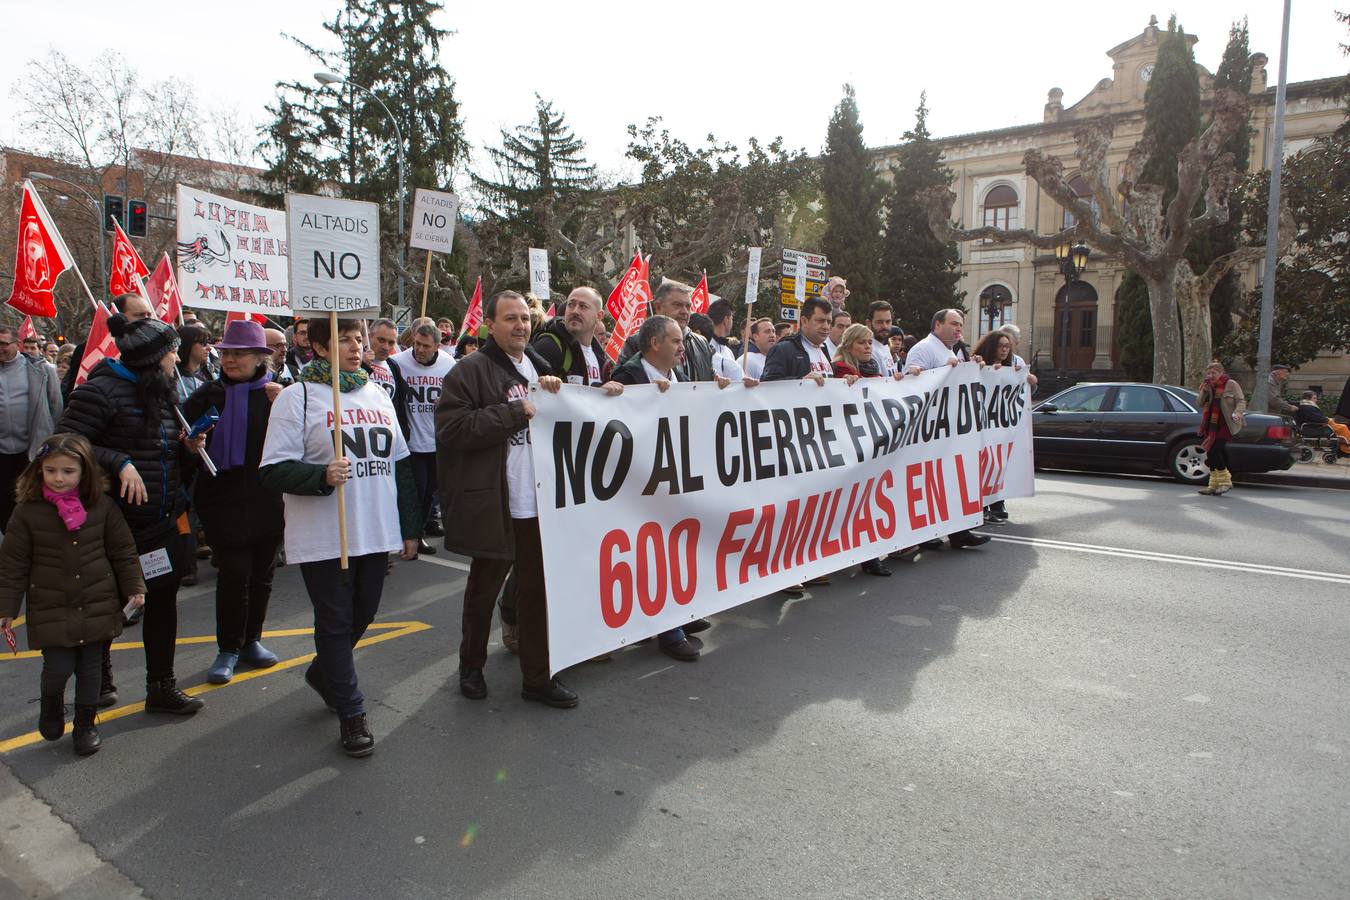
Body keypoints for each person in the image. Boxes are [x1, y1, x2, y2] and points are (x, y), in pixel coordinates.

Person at [259, 316, 421, 757]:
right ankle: (352, 713)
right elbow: (273, 470)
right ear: (319, 347)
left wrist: (410, 528)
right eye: (343, 339)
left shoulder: (379, 394)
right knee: (333, 621)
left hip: (374, 530)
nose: (355, 347)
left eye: (358, 339)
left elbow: (401, 465)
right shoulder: (298, 397)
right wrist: (320, 475)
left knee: (362, 614)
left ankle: (322, 672)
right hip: (325, 535)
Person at [437, 291, 580, 706]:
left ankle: (537, 678)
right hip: (496, 503)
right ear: (491, 325)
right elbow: (452, 428)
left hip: (538, 506)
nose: (521, 325)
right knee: (483, 593)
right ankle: (471, 665)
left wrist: (558, 390)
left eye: (524, 318)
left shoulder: (539, 367)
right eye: (511, 319)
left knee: (536, 596)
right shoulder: (469, 370)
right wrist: (515, 413)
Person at [59, 313, 207, 715]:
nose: (176, 360)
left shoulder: (163, 392)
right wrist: (116, 460)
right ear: (153, 357)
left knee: (162, 604)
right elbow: (61, 448)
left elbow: (164, 458)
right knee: (108, 606)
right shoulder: (100, 392)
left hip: (163, 521)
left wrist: (188, 451)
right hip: (115, 527)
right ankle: (100, 678)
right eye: (172, 353)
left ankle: (161, 686)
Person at [0, 433, 146, 756]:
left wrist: (135, 586)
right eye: (51, 470)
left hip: (97, 601)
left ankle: (85, 725)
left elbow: (123, 550)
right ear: (39, 470)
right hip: (52, 605)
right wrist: (6, 607)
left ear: (85, 472)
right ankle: (51, 703)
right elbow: (12, 564)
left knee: (91, 670)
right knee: (58, 668)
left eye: (68, 471)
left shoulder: (102, 506)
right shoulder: (27, 512)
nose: (58, 478)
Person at [609, 314, 725, 659]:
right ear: (655, 343)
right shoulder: (627, 376)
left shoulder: (681, 376)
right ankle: (668, 631)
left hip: (675, 477)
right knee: (653, 552)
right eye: (675, 340)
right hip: (643, 483)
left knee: (675, 550)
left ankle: (676, 615)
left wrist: (726, 392)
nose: (682, 346)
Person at [182, 320, 286, 684]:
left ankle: (251, 641)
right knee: (234, 575)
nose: (229, 359)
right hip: (221, 500)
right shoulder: (206, 395)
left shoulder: (278, 395)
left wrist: (285, 407)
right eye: (225, 352)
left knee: (262, 576)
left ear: (262, 357)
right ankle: (228, 647)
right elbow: (178, 440)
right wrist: (189, 446)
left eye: (238, 353)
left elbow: (303, 441)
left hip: (267, 499)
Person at [905, 309, 991, 550]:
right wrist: (942, 371)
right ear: (937, 324)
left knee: (950, 483)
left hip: (949, 430)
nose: (958, 329)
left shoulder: (953, 350)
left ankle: (958, 532)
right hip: (929, 431)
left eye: (961, 325)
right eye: (953, 324)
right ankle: (924, 534)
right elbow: (910, 384)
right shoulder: (924, 349)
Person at [392, 318, 454, 555]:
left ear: (437, 347)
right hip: (410, 442)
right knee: (415, 490)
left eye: (425, 346)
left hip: (437, 440)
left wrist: (448, 401)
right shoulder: (398, 362)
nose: (419, 349)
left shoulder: (449, 365)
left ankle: (418, 534)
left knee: (430, 491)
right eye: (416, 344)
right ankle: (409, 535)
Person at [1, 323, 63, 529]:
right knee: (4, 505)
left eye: (3, 344)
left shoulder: (41, 370)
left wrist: (50, 441)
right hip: (2, 453)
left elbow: (56, 407)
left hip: (33, 450)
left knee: (33, 500)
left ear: (17, 344)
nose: (0, 349)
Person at [616, 280, 716, 383]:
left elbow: (709, 377)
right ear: (658, 307)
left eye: (688, 306)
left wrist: (717, 383)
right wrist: (651, 386)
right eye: (677, 305)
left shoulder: (701, 342)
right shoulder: (635, 341)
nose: (685, 312)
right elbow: (623, 384)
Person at [972, 330, 1019, 523]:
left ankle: (997, 502)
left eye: (1007, 346)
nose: (1005, 350)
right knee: (983, 464)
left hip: (1000, 427)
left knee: (998, 464)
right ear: (992, 347)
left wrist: (1030, 382)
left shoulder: (1013, 366)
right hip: (982, 427)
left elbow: (1021, 388)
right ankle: (981, 504)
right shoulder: (977, 363)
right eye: (1001, 346)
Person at [533, 286, 612, 387]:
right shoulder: (548, 346)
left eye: (583, 306)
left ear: (599, 316)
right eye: (571, 305)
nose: (575, 311)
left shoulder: (601, 358)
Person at [1196, 359, 1247, 496]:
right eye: (1209, 373)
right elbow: (1200, 403)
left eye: (1214, 372)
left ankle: (1225, 481)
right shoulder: (1208, 386)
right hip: (1211, 425)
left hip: (1226, 423)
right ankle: (1213, 485)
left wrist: (1237, 412)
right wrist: (1204, 391)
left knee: (1214, 452)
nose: (1211, 375)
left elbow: (1241, 400)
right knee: (1210, 454)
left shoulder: (1231, 384)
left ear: (1221, 372)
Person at [762, 297, 834, 383]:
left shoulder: (825, 350)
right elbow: (767, 385)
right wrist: (800, 381)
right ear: (804, 321)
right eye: (820, 321)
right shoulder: (783, 349)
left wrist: (844, 380)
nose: (826, 327)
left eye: (829, 322)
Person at [1294, 390, 1350, 455]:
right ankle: (1346, 449)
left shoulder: (1306, 406)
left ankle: (1344, 448)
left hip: (1315, 426)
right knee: (1343, 427)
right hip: (1315, 427)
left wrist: (1328, 419)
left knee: (1342, 427)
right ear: (1307, 398)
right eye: (1314, 398)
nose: (1316, 400)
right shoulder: (1308, 407)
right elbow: (1318, 418)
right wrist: (1329, 420)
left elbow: (1316, 417)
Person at [706, 299, 748, 380]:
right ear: (726, 320)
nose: (732, 322)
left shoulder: (728, 352)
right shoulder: (704, 346)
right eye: (731, 318)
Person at [997, 324, 1039, 389]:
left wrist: (1031, 382)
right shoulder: (987, 358)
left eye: (1008, 343)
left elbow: (1025, 391)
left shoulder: (1019, 361)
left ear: (1016, 342)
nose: (1004, 348)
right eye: (1000, 343)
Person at [865, 301, 899, 377]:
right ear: (868, 323)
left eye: (888, 322)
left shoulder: (885, 347)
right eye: (879, 322)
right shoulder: (867, 350)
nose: (885, 326)